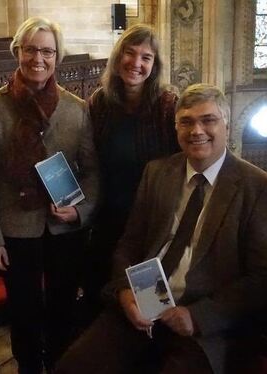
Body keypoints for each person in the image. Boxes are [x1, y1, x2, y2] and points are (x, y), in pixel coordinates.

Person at [57, 84, 267, 374]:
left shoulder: (259, 187)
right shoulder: (158, 172)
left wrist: (198, 316)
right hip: (144, 303)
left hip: (205, 324)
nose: (196, 130)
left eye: (208, 120)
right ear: (176, 128)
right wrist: (125, 291)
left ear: (226, 123)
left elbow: (265, 277)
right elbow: (130, 243)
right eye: (186, 122)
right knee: (72, 367)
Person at [0, 16, 99, 373]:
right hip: (16, 227)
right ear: (17, 51)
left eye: (47, 51)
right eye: (31, 49)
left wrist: (79, 212)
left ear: (57, 57)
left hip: (64, 229)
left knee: (62, 308)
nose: (38, 58)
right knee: (23, 311)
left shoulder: (76, 108)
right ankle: (28, 367)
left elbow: (91, 172)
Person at [85, 23, 180, 318]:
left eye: (146, 57)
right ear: (118, 56)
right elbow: (89, 160)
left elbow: (179, 167)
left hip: (149, 224)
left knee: (149, 306)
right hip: (107, 218)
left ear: (155, 65)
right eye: (130, 53)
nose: (136, 63)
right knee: (102, 296)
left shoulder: (168, 105)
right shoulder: (100, 102)